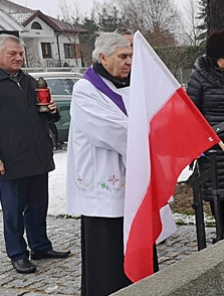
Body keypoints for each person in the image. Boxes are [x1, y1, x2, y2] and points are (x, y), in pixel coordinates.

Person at [66, 32, 153, 295]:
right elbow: (113, 130)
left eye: (131, 56)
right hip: (103, 188)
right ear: (102, 57)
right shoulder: (86, 90)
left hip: (132, 183)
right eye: (123, 56)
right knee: (106, 258)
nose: (129, 62)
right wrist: (152, 135)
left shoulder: (128, 87)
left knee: (135, 249)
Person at [0, 34, 71, 274]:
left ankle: (40, 246)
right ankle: (17, 254)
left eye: (21, 54)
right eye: (13, 54)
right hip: (9, 159)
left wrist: (52, 111)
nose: (19, 58)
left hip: (37, 155)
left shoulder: (29, 81)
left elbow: (45, 116)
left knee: (38, 205)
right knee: (13, 211)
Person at [186, 30, 224, 240]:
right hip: (211, 142)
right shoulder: (199, 77)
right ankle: (220, 230)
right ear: (214, 57)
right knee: (215, 188)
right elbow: (190, 109)